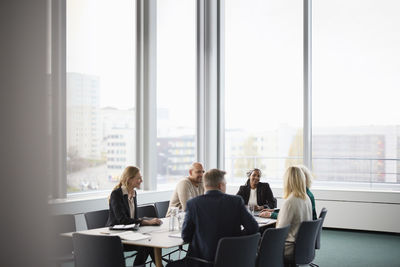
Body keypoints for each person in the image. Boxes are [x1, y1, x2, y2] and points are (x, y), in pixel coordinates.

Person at [166, 169, 259, 267]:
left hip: (203, 261)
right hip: (234, 260)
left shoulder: (193, 204)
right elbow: (253, 228)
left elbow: (186, 236)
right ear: (220, 185)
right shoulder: (236, 201)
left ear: (205, 185)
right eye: (225, 184)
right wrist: (237, 237)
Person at [106, 166, 162, 267]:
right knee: (145, 245)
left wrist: (147, 220)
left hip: (130, 234)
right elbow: (122, 220)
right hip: (117, 237)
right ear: (129, 179)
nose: (141, 180)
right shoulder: (116, 194)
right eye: (138, 178)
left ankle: (158, 265)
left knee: (150, 242)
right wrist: (146, 222)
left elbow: (133, 218)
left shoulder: (134, 193)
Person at [274, 166, 312, 262]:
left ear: (288, 181)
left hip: (289, 247)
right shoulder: (306, 198)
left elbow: (279, 232)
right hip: (303, 245)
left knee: (257, 246)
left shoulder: (290, 201)